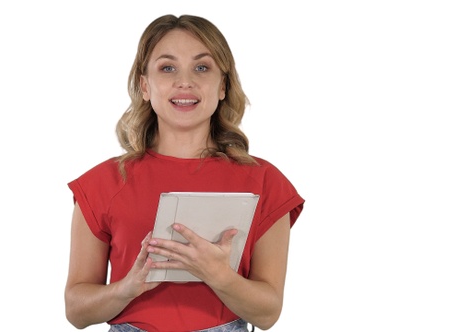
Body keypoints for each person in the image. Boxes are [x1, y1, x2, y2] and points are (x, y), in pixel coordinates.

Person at [65, 14, 305, 332]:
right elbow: (76, 311)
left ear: (223, 86)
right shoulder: (102, 184)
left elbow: (267, 314)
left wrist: (218, 275)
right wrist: (128, 286)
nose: (185, 81)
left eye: (202, 67)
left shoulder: (265, 182)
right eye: (167, 67)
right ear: (144, 86)